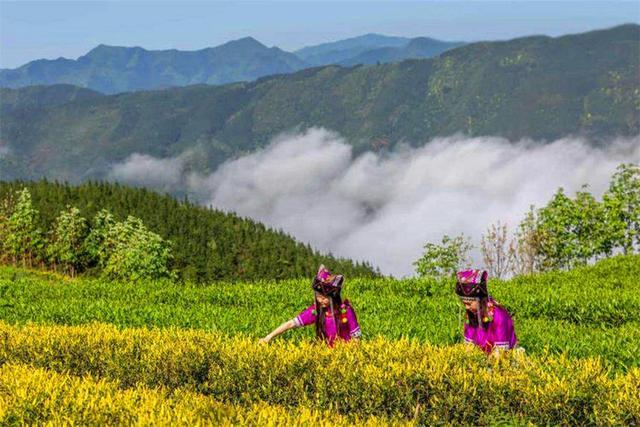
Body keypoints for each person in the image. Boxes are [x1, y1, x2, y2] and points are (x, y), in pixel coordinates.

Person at [259, 265, 361, 346]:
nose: (321, 300)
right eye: (318, 296)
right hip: (325, 356)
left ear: (333, 297)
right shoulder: (316, 311)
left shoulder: (346, 311)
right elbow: (291, 323)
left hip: (345, 355)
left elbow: (356, 338)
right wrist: (268, 337)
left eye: (324, 298)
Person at [455, 269, 518, 355]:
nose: (466, 307)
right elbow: (468, 347)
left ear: (479, 300)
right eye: (464, 304)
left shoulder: (499, 316)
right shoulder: (472, 314)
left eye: (469, 304)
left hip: (503, 360)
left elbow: (501, 353)